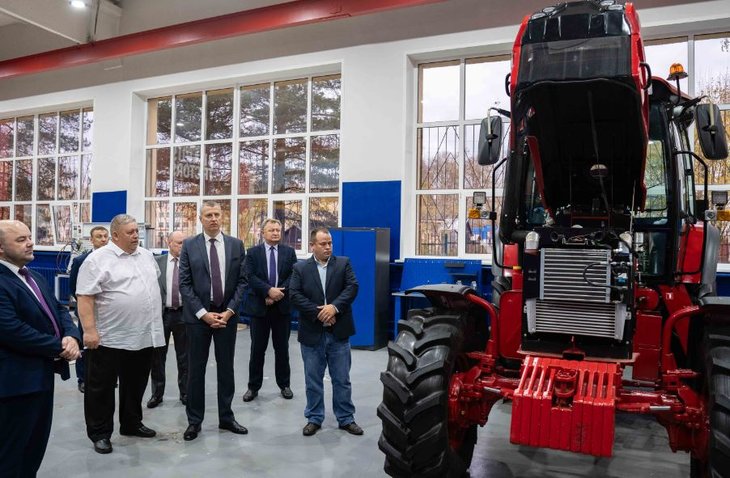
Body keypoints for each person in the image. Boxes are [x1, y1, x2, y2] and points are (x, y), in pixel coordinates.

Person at [76, 214, 165, 455]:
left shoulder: (146, 255)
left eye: (137, 231)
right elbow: (84, 297)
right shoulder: (97, 260)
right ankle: (100, 433)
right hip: (109, 337)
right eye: (130, 232)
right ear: (115, 235)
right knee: (101, 388)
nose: (136, 235)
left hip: (143, 335)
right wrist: (89, 331)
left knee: (136, 383)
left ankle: (131, 423)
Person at [0, 220, 81, 477]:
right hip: (14, 384)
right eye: (21, 240)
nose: (30, 243)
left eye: (29, 237)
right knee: (11, 454)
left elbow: (59, 308)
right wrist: (59, 347)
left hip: (41, 377)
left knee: (33, 449)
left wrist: (72, 336)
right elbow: (12, 330)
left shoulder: (31, 276)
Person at [179, 201, 247, 441]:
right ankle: (194, 421)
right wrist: (203, 314)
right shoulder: (189, 245)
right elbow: (184, 284)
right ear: (201, 219)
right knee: (195, 371)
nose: (213, 218)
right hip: (198, 318)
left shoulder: (236, 245)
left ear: (222, 216)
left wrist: (229, 311)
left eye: (217, 214)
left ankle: (226, 418)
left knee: (226, 369)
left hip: (227, 316)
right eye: (208, 215)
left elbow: (242, 282)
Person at [289, 227, 362, 437]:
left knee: (342, 379)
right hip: (312, 333)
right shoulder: (300, 268)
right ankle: (314, 418)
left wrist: (334, 308)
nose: (328, 247)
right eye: (323, 244)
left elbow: (352, 288)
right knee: (313, 379)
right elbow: (294, 294)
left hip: (338, 332)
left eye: (330, 243)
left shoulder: (343, 264)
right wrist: (319, 312)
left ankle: (346, 418)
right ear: (312, 245)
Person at [241, 218, 298, 402]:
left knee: (282, 349)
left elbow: (293, 275)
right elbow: (250, 276)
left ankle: (285, 385)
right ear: (263, 233)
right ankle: (253, 387)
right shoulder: (252, 253)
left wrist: (277, 293)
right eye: (271, 230)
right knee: (257, 350)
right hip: (260, 307)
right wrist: (268, 291)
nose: (275, 233)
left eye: (277, 230)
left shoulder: (289, 252)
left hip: (281, 308)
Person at [147, 230, 188, 408]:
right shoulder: (157, 262)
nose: (182, 246)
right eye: (179, 243)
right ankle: (157, 394)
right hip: (162, 315)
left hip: (184, 314)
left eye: (184, 243)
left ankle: (185, 393)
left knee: (185, 357)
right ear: (169, 243)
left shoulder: (190, 263)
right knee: (157, 357)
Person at [68, 225, 109, 393]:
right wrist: (86, 305)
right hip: (87, 311)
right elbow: (74, 287)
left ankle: (106, 377)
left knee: (106, 346)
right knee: (85, 345)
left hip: (108, 313)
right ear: (91, 240)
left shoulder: (113, 260)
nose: (103, 239)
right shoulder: (81, 261)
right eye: (99, 236)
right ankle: (83, 378)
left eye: (105, 236)